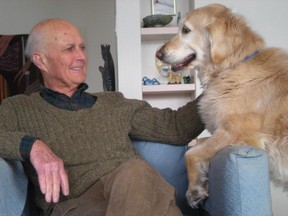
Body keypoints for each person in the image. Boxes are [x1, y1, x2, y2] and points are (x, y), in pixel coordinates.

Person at [0, 18, 204, 216]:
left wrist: (225, 87)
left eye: (82, 47)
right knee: (138, 175)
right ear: (41, 60)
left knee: (137, 175)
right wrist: (33, 147)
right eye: (69, 49)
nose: (81, 56)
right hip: (78, 206)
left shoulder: (114, 103)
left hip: (137, 193)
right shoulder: (19, 108)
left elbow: (176, 128)